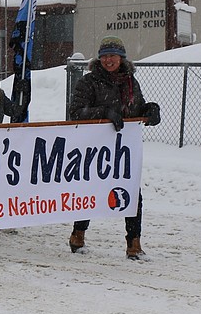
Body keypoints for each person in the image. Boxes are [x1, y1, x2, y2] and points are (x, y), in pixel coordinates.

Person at [65, 36, 161, 259]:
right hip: (94, 150)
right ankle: (78, 234)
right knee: (89, 192)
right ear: (99, 59)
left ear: (122, 58)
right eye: (105, 55)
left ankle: (133, 244)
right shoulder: (89, 82)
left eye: (113, 55)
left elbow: (136, 108)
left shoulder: (130, 82)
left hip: (122, 152)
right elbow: (76, 112)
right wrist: (104, 112)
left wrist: (150, 110)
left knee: (131, 194)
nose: (109, 60)